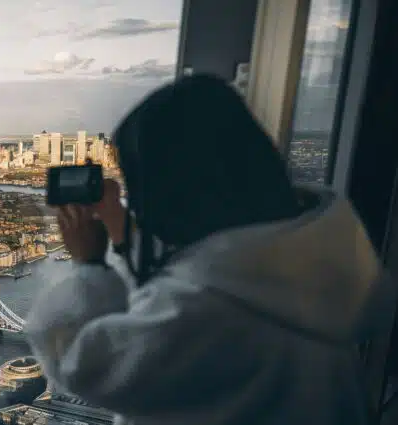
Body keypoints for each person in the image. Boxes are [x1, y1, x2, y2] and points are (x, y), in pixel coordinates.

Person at [25, 74, 396, 425]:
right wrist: (119, 226)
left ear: (172, 191)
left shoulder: (202, 312)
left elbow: (82, 362)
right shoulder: (314, 270)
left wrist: (89, 264)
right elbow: (212, 267)